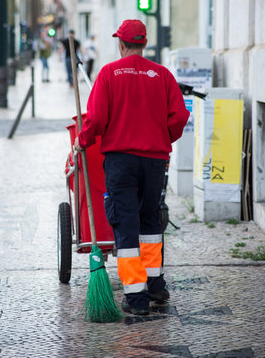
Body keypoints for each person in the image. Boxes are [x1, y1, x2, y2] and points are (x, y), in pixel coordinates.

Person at [74, 19, 190, 315]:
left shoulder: (109, 74)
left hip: (121, 160)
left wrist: (82, 141)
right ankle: (155, 285)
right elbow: (179, 116)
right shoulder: (162, 75)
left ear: (121, 44)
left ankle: (136, 297)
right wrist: (164, 138)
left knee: (126, 223)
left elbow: (96, 118)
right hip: (154, 160)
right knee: (151, 219)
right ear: (143, 43)